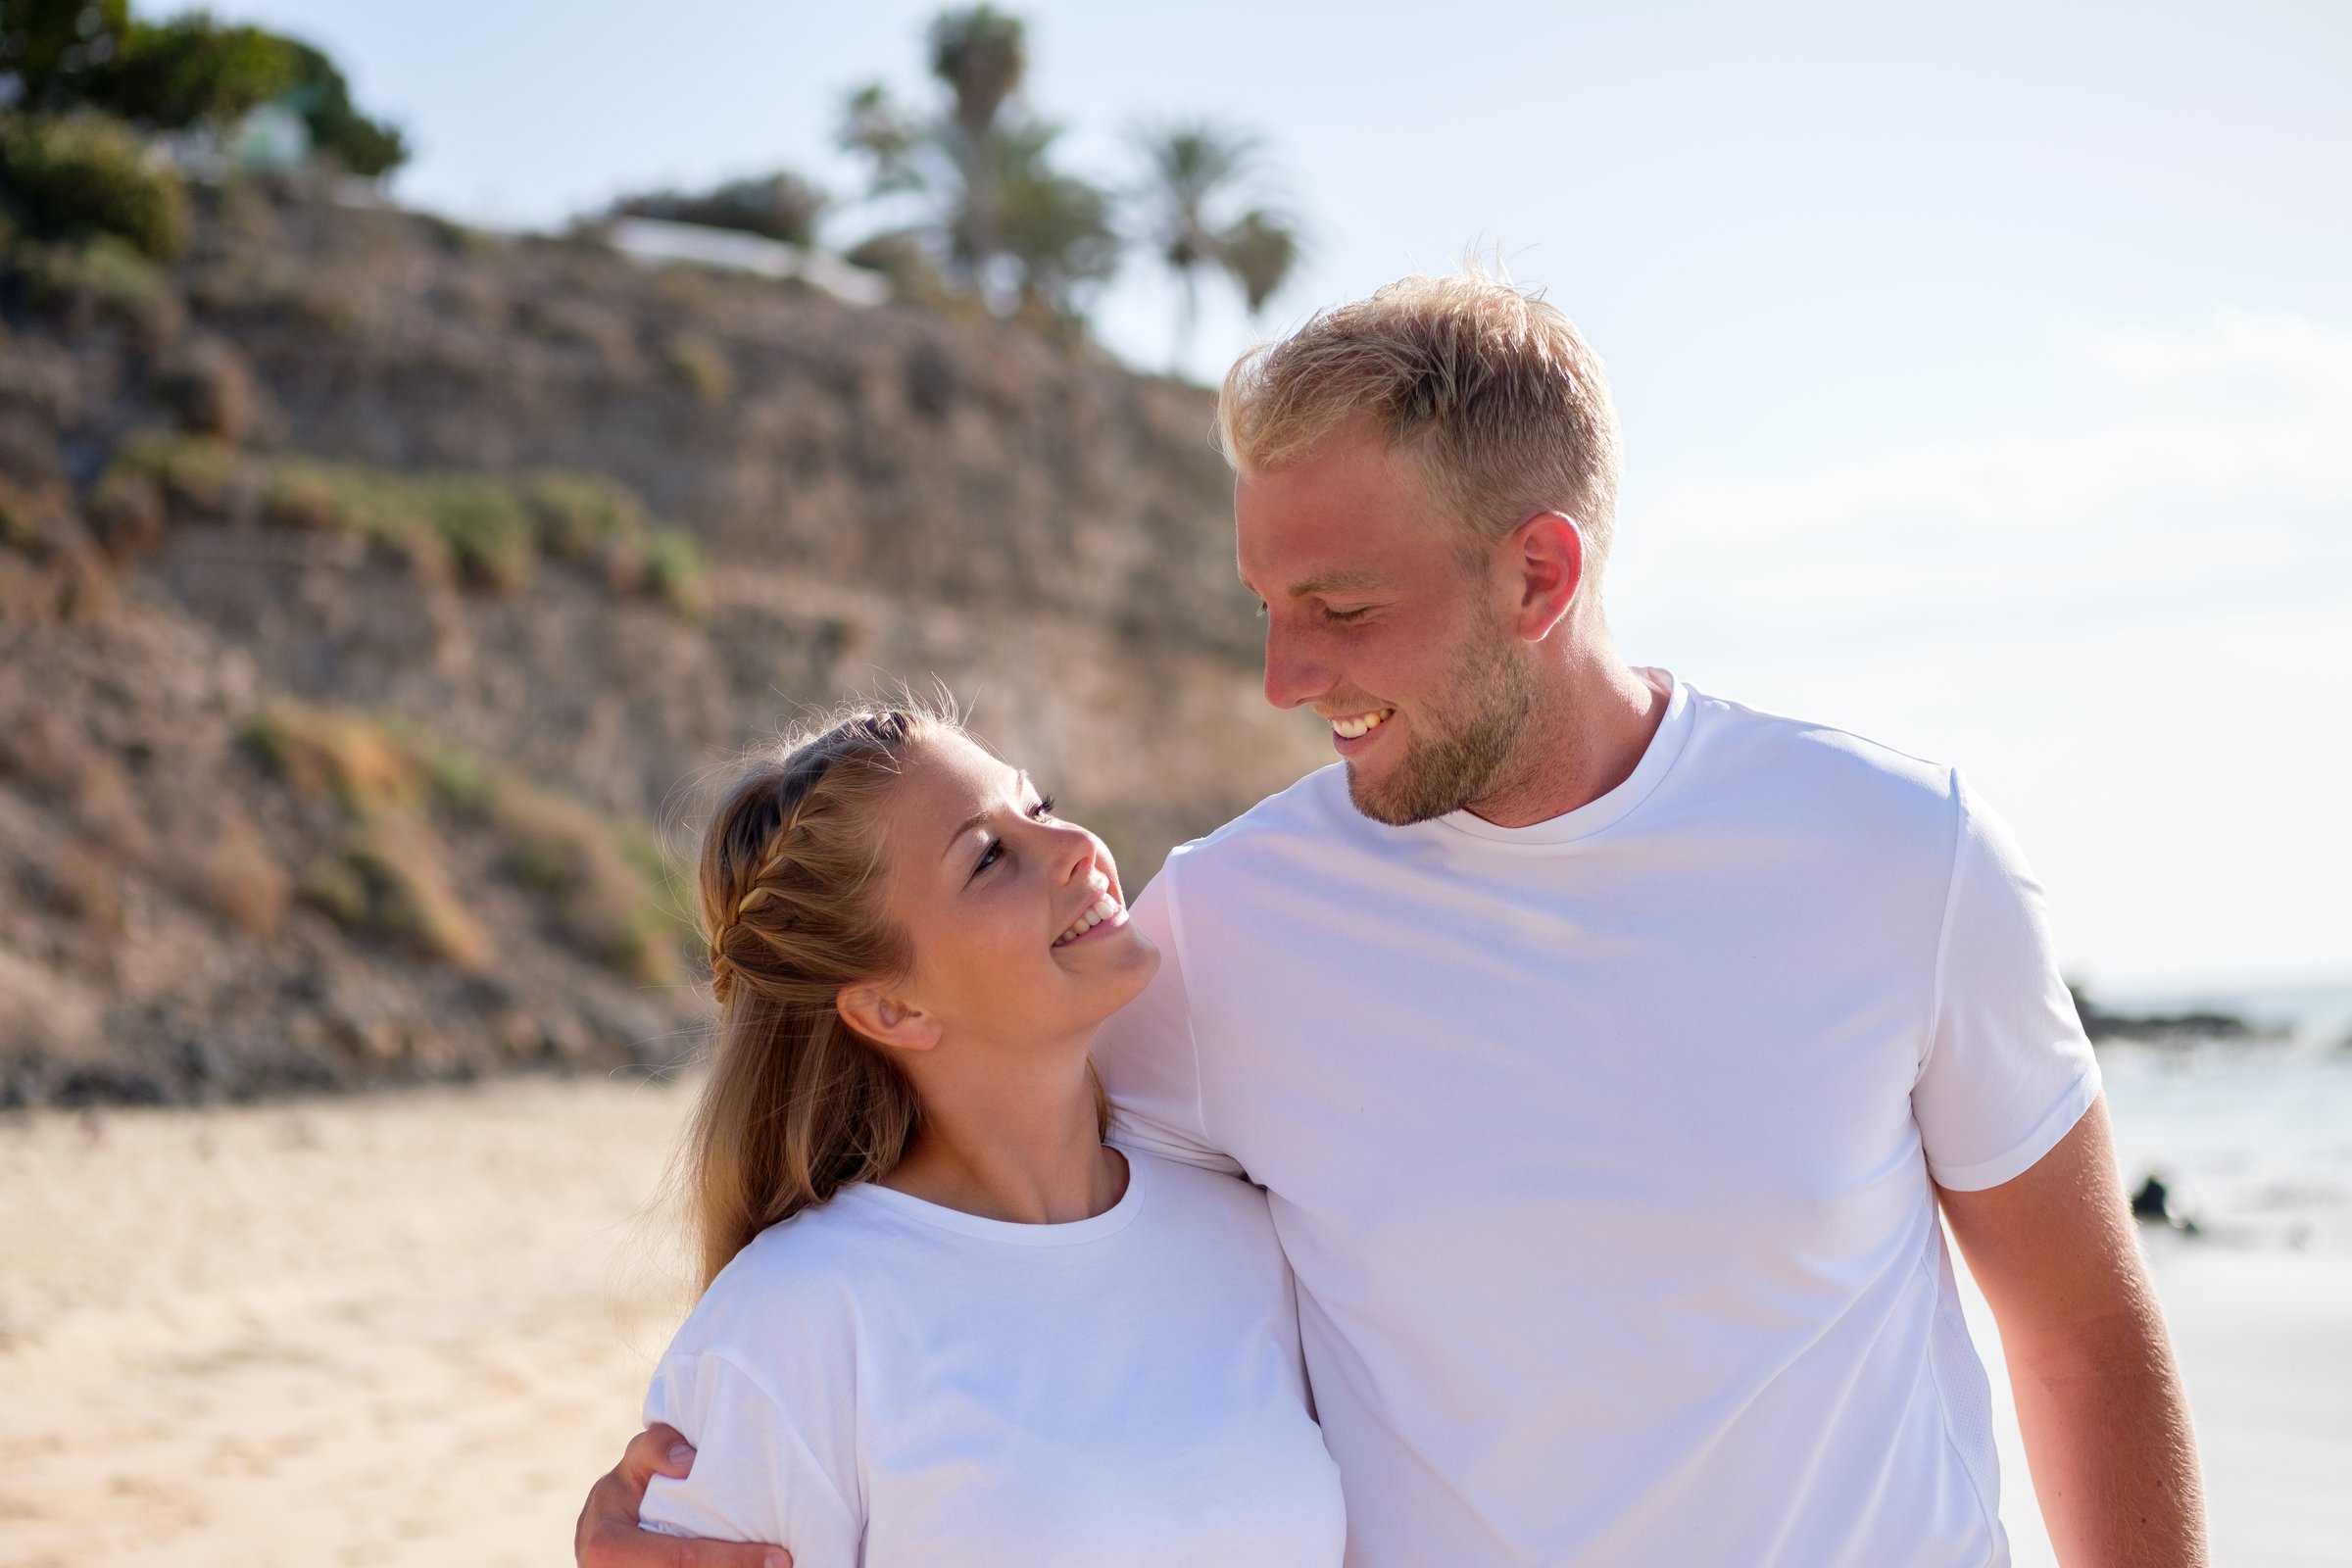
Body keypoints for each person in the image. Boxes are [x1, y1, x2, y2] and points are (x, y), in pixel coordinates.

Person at [578, 274, 2206, 1567]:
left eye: (1341, 609)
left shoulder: (1901, 856)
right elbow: (964, 1190)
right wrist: (693, 1487)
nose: (1286, 678)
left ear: (1540, 576)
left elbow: (2079, 1337)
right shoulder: (1222, 933)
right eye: (1266, 607)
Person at [606, 704, 1345, 1567]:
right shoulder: (794, 1323)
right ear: (893, 1007)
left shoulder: (1246, 1233)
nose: (1075, 846)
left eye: (1038, 807)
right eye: (990, 857)